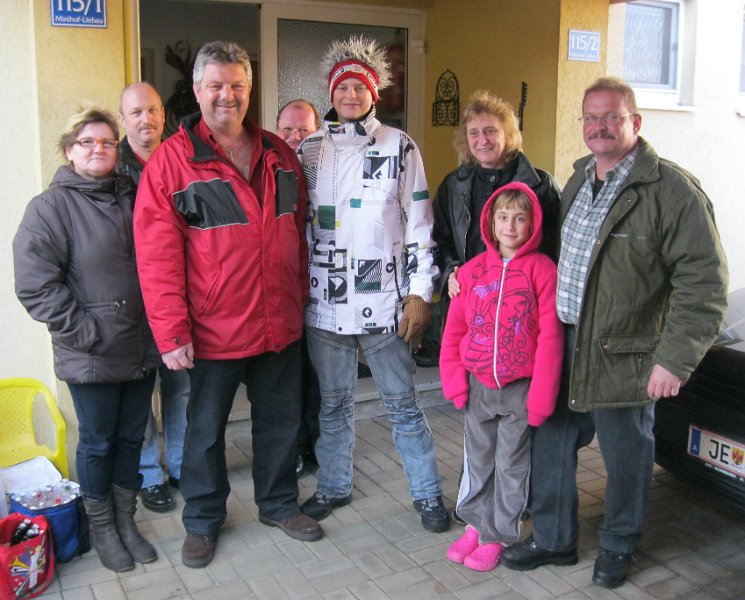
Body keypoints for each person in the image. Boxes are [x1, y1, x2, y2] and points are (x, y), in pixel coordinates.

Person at [501, 77, 729, 589]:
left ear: (635, 122)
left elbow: (704, 283)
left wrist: (674, 359)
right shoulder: (579, 178)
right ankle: (554, 540)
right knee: (552, 439)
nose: (599, 126)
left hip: (625, 350)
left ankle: (619, 544)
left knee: (626, 453)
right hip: (563, 340)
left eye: (611, 117)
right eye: (591, 117)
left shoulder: (672, 191)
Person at [133, 40, 321, 570]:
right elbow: (157, 256)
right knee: (204, 434)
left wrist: (300, 298)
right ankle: (202, 520)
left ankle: (278, 504)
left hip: (278, 322)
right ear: (197, 91)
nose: (227, 96)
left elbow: (297, 235)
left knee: (280, 423)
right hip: (212, 330)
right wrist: (172, 333)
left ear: (249, 89)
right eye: (215, 85)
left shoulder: (279, 153)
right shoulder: (172, 163)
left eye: (237, 85)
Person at [297, 35, 449, 533]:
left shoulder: (400, 146)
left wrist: (419, 292)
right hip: (324, 302)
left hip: (385, 304)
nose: (350, 95)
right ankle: (334, 485)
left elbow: (420, 224)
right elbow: (296, 228)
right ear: (331, 92)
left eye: (359, 87)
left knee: (403, 404)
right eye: (342, 87)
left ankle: (427, 493)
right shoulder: (310, 150)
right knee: (333, 405)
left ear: (373, 94)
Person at [13, 105, 161, 572]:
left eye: (107, 142)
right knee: (98, 442)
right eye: (87, 142)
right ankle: (102, 529)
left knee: (131, 439)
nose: (99, 149)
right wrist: (87, 333)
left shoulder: (134, 195)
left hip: (140, 345)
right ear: (68, 151)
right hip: (92, 353)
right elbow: (36, 285)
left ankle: (126, 521)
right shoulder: (50, 208)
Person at [432, 90, 561, 525]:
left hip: (521, 326)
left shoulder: (540, 185)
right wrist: (451, 271)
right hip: (476, 314)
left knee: (519, 439)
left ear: (509, 134)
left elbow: (552, 251)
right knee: (480, 432)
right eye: (474, 133)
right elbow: (440, 241)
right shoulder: (454, 185)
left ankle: (512, 513)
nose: (483, 140)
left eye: (491, 130)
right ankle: (478, 512)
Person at [440, 181, 563, 571]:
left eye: (520, 218)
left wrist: (541, 398)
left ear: (533, 223)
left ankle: (498, 533)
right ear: (490, 223)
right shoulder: (473, 271)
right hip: (478, 387)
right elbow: (454, 330)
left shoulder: (543, 270)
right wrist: (454, 382)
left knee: (511, 465)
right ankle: (475, 525)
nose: (510, 226)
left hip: (519, 391)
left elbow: (551, 338)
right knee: (478, 461)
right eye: (503, 217)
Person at [118, 82, 189, 513]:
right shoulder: (111, 171)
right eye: (136, 112)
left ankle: (181, 465)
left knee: (181, 389)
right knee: (141, 397)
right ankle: (149, 475)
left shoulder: (181, 160)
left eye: (152, 110)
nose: (146, 119)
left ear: (163, 115)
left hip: (179, 297)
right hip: (131, 302)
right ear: (123, 119)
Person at [275, 98, 322, 478]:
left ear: (317, 131)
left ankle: (318, 448)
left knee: (319, 378)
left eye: (303, 130)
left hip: (325, 292)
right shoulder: (268, 171)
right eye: (287, 130)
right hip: (283, 294)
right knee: (286, 382)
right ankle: (290, 449)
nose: (294, 137)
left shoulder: (332, 170)